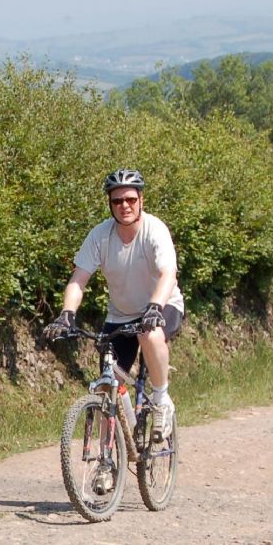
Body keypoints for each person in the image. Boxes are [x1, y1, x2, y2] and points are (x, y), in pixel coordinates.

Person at [43, 168, 184, 435]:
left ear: (141, 199)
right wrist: (67, 313)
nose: (124, 206)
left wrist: (155, 307)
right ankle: (113, 455)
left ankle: (162, 400)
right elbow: (78, 279)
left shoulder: (155, 229)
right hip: (121, 314)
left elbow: (168, 273)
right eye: (117, 201)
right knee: (108, 387)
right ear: (110, 204)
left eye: (130, 199)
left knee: (150, 334)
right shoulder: (100, 235)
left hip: (163, 305)